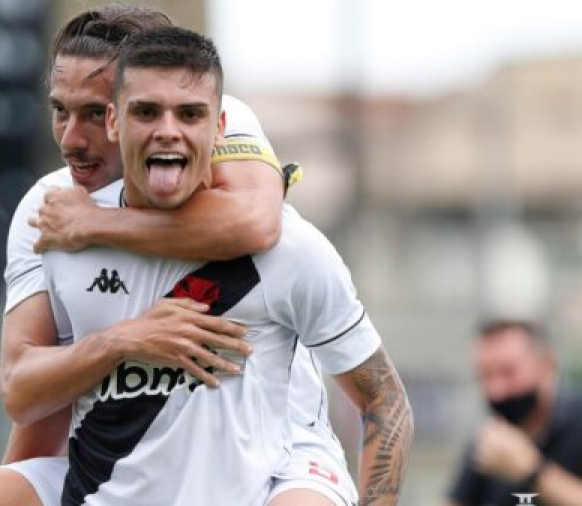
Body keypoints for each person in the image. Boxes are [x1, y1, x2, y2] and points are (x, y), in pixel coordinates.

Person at [0, 7, 352, 506]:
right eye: (60, 111)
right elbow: (28, 397)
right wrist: (122, 341)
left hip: (279, 452)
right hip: (126, 458)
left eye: (93, 113)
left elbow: (258, 223)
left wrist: (95, 224)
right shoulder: (47, 209)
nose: (70, 139)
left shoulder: (218, 121)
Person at [39, 26, 412, 506]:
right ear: (113, 121)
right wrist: (117, 343)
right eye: (146, 111)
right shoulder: (64, 237)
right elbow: (31, 401)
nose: (167, 129)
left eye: (190, 114)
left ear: (219, 128)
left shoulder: (289, 249)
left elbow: (385, 400)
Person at [443, 320, 582, 506]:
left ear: (546, 364)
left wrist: (532, 471)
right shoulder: (489, 439)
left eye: (508, 372)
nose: (496, 390)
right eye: (485, 375)